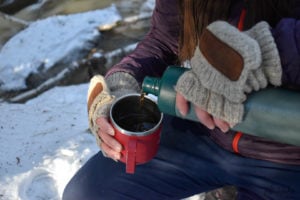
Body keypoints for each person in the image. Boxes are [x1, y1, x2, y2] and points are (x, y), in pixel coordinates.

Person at [63, 0, 300, 199]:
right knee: (87, 193)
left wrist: (266, 54)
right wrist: (122, 82)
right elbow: (164, 41)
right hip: (202, 130)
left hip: (286, 155)